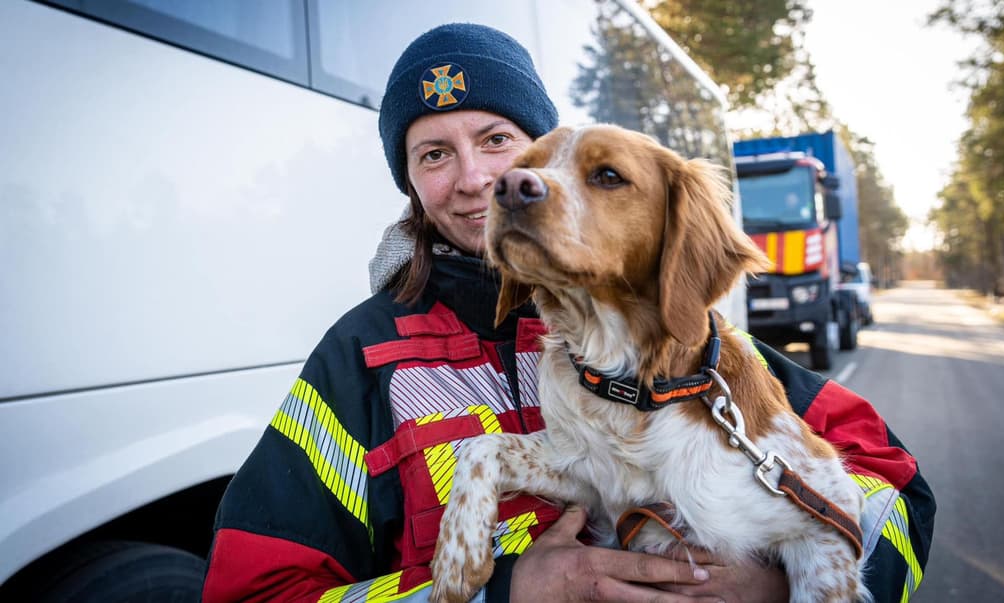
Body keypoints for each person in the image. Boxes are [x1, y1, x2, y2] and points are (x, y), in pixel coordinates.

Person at [202, 23, 934, 603]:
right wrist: (503, 591)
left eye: (498, 141)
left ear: (540, 160)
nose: (479, 179)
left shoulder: (683, 342)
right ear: (412, 184)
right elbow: (254, 590)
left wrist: (778, 583)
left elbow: (897, 487)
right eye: (432, 154)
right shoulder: (358, 355)